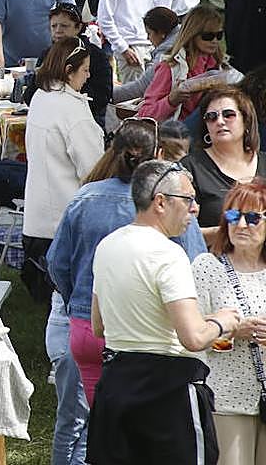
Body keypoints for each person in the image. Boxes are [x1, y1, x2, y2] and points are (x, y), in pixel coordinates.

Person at [48, 122, 207, 434]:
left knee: (97, 428)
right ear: (158, 156)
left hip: (87, 328)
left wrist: (74, 300)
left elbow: (56, 263)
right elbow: (196, 267)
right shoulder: (168, 209)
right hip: (148, 337)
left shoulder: (85, 197)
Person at [88, 160, 241, 465]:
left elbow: (98, 326)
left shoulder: (107, 245)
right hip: (166, 393)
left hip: (116, 382)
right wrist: (222, 322)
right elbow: (194, 338)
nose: (195, 208)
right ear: (160, 202)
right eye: (188, 199)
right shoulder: (169, 255)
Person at [23, 36, 106, 313]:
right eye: (85, 69)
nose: (89, 75)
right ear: (68, 71)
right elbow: (93, 171)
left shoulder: (41, 97)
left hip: (38, 216)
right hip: (65, 217)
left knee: (53, 304)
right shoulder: (73, 111)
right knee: (71, 304)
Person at [192, 181, 266, 465]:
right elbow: (191, 338)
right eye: (234, 216)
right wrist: (232, 332)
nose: (242, 225)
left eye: (253, 217)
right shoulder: (207, 267)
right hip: (226, 398)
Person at [182, 86, 266, 231]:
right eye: (211, 117)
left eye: (229, 115)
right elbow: (182, 231)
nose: (220, 121)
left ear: (246, 120)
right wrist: (228, 233)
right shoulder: (189, 168)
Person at [139, 4, 237, 122]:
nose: (215, 41)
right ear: (192, 34)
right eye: (208, 36)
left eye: (219, 35)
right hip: (181, 135)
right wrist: (171, 101)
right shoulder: (172, 67)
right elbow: (145, 114)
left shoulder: (222, 67)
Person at [23, 3, 112, 128]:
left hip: (86, 119)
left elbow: (103, 97)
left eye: (64, 26)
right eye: (54, 26)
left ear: (78, 27)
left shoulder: (95, 56)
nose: (58, 30)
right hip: (50, 119)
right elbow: (30, 96)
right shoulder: (47, 55)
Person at [113, 6, 181, 106]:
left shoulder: (167, 53)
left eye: (149, 33)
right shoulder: (176, 42)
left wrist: (107, 96)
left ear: (161, 33)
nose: (148, 38)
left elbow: (143, 86)